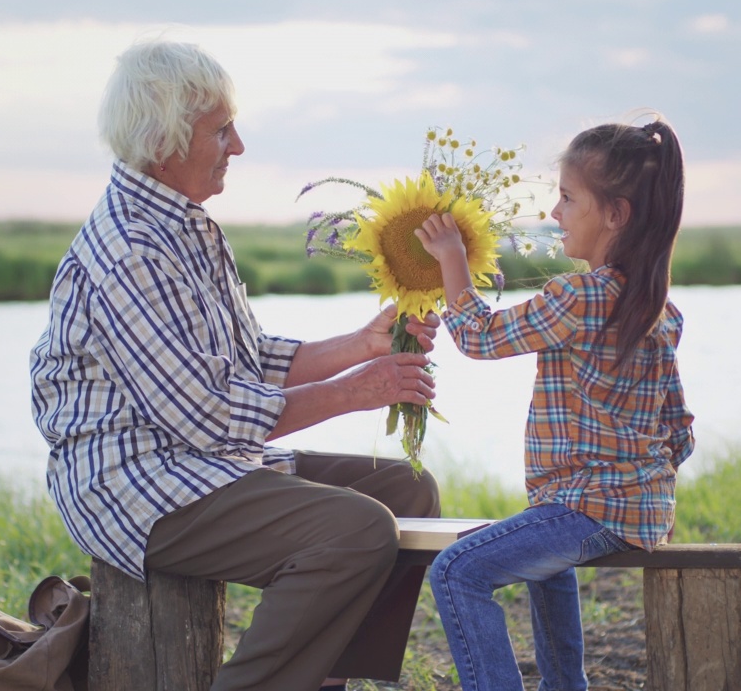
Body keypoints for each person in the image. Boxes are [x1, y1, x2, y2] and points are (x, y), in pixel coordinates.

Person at [29, 39, 442, 691]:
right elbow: (211, 417)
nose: (239, 146)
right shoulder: (131, 250)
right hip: (137, 486)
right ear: (164, 142)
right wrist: (355, 392)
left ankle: (321, 681)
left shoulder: (186, 225)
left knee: (406, 492)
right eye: (221, 131)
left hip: (194, 462)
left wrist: (363, 345)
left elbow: (244, 363)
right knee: (359, 529)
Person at [413, 119, 694, 690]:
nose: (553, 213)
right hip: (633, 506)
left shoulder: (581, 295)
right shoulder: (659, 307)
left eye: (567, 198)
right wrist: (639, 482)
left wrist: (451, 256)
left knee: (456, 572)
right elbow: (680, 430)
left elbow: (479, 337)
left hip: (590, 507)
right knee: (541, 540)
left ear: (615, 215)